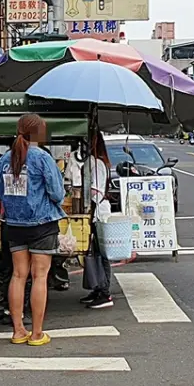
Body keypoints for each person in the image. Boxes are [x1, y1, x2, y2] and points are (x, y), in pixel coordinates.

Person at [0, 113, 67, 347]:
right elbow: (57, 193)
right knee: (39, 276)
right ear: (37, 133)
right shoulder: (42, 158)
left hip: (13, 224)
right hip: (42, 224)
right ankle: (36, 333)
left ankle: (17, 330)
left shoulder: (5, 159)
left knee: (18, 275)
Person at [80, 131, 114, 309]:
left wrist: (83, 194)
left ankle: (105, 292)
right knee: (95, 252)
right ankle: (97, 288)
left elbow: (96, 191)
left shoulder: (97, 163)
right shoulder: (96, 162)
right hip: (96, 211)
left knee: (102, 254)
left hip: (99, 212)